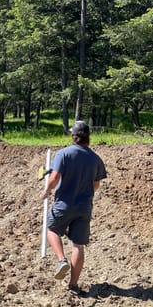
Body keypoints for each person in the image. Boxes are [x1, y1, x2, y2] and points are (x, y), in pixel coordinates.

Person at [40, 121, 107, 295]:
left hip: (64, 204)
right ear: (88, 137)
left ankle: (61, 260)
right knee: (78, 245)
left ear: (73, 136)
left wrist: (47, 190)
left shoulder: (64, 154)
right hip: (84, 207)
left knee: (52, 229)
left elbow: (55, 177)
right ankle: (74, 284)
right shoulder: (95, 158)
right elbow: (96, 184)